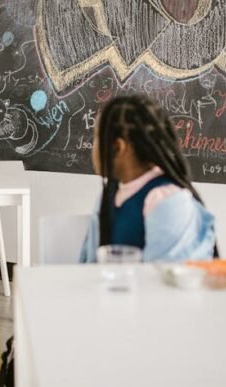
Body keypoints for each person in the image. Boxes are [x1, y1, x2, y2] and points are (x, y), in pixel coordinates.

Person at [80, 94, 217, 262]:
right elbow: (88, 262)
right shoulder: (108, 193)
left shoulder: (167, 200)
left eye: (96, 137)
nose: (92, 147)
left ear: (118, 147)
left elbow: (165, 278)